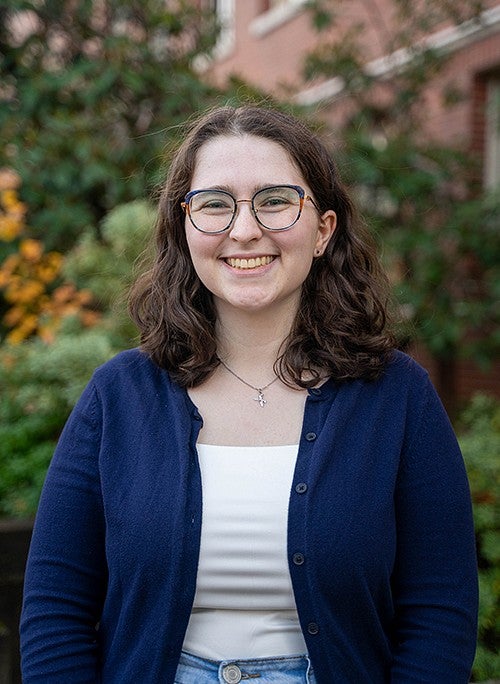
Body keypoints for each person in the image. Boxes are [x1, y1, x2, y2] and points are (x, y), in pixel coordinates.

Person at [20, 105, 478, 683]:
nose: (244, 229)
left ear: (323, 230)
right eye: (214, 204)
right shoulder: (119, 397)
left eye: (275, 200)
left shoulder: (397, 397)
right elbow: (55, 609)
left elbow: (440, 611)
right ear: (184, 229)